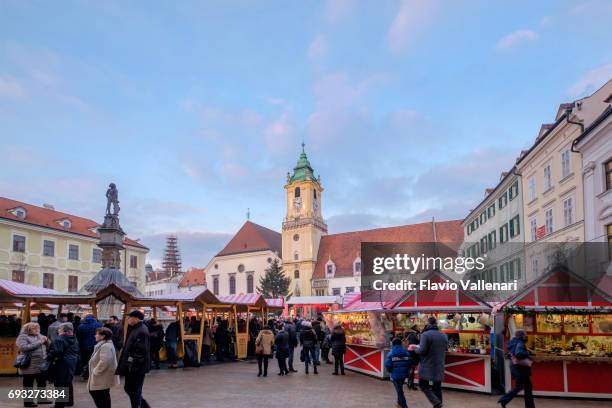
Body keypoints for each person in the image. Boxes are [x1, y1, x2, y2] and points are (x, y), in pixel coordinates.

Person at [116, 310, 151, 408]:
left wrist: (130, 363)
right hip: (133, 367)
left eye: (129, 317)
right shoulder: (135, 329)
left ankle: (138, 406)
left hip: (136, 368)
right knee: (130, 389)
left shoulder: (141, 331)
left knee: (134, 390)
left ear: (136, 319)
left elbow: (141, 352)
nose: (128, 319)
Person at [415, 316, 448, 408]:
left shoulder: (425, 335)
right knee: (437, 387)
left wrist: (415, 349)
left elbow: (422, 351)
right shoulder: (444, 335)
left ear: (428, 324)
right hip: (439, 364)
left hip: (427, 365)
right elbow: (445, 349)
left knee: (423, 385)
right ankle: (438, 405)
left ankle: (436, 402)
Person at [498, 330, 535, 408]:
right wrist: (528, 353)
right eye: (525, 335)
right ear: (521, 336)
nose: (526, 336)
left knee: (521, 387)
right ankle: (504, 399)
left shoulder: (513, 342)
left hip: (516, 368)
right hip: (521, 369)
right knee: (526, 388)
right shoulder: (520, 343)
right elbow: (518, 353)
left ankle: (504, 400)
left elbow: (510, 354)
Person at [16, 322, 48, 408]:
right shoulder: (22, 336)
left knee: (42, 382)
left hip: (40, 363)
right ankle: (28, 402)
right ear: (29, 329)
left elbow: (47, 344)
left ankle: (41, 399)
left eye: (38, 328)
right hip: (29, 364)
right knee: (28, 384)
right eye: (36, 328)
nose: (38, 330)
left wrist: (47, 341)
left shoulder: (39, 335)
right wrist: (41, 342)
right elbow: (24, 348)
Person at [47, 322, 79, 408]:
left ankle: (59, 404)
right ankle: (69, 402)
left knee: (59, 383)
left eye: (59, 329)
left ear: (64, 331)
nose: (58, 331)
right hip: (72, 362)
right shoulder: (74, 338)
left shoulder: (59, 339)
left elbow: (57, 352)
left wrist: (48, 357)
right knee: (68, 382)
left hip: (61, 363)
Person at [88, 327, 120, 408]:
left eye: (97, 334)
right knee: (103, 395)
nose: (95, 335)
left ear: (103, 336)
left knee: (98, 394)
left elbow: (105, 361)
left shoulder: (105, 346)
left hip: (102, 376)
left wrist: (96, 372)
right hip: (103, 376)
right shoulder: (104, 345)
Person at [385, 338, 414, 408]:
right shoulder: (406, 353)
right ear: (400, 344)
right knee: (400, 388)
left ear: (393, 344)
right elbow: (410, 363)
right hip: (404, 374)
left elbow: (388, 365)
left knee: (399, 391)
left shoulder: (391, 353)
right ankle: (399, 404)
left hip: (395, 375)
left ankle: (404, 406)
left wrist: (390, 371)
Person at [76, 314, 102, 380]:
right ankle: (92, 374)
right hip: (95, 346)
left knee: (84, 360)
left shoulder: (81, 326)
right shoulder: (99, 325)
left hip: (83, 347)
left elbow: (78, 337)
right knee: (94, 360)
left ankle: (84, 374)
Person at [405, 324, 420, 390]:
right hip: (413, 354)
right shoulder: (413, 336)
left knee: (411, 369)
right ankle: (410, 384)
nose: (419, 328)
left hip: (409, 354)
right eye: (417, 327)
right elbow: (413, 346)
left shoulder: (409, 335)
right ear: (415, 328)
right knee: (412, 369)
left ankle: (409, 383)